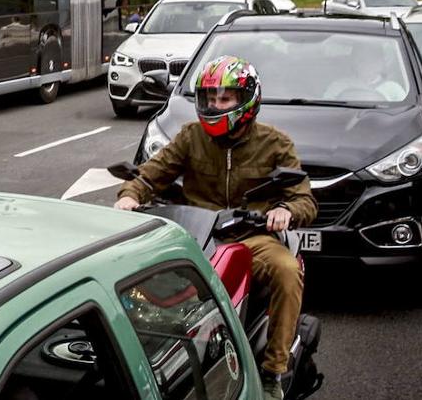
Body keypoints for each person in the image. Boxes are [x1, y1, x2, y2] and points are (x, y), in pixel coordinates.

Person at [114, 55, 317, 400]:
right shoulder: (191, 136)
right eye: (210, 98)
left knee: (285, 271)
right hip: (195, 236)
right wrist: (129, 197)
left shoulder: (275, 142)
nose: (216, 105)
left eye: (225, 98)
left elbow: (305, 200)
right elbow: (150, 174)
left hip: (251, 237)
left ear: (246, 100)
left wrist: (285, 210)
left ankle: (272, 374)